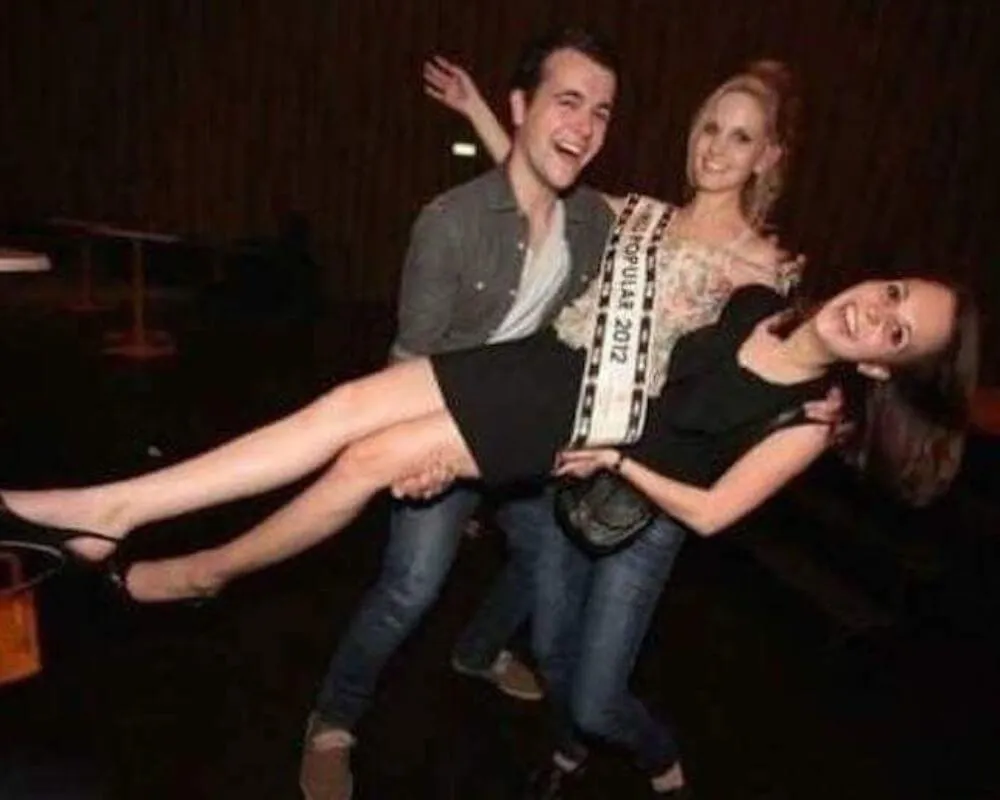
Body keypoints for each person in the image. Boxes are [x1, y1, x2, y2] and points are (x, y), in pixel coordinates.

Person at [421, 55, 809, 796]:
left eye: (740, 137)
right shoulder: (634, 217)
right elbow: (534, 182)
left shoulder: (765, 268)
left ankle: (658, 755)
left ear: (768, 157)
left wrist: (819, 404)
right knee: (554, 651)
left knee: (601, 695)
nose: (716, 149)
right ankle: (567, 748)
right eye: (709, 129)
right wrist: (477, 107)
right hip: (564, 459)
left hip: (652, 492)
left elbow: (785, 369)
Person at [298, 26, 620, 800]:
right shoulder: (447, 222)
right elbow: (406, 367)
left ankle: (476, 651)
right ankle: (331, 721)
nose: (584, 123)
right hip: (438, 423)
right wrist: (414, 455)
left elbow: (544, 175)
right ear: (523, 106)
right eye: (567, 101)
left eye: (602, 112)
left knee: (551, 557)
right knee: (410, 588)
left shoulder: (594, 223)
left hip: (524, 434)